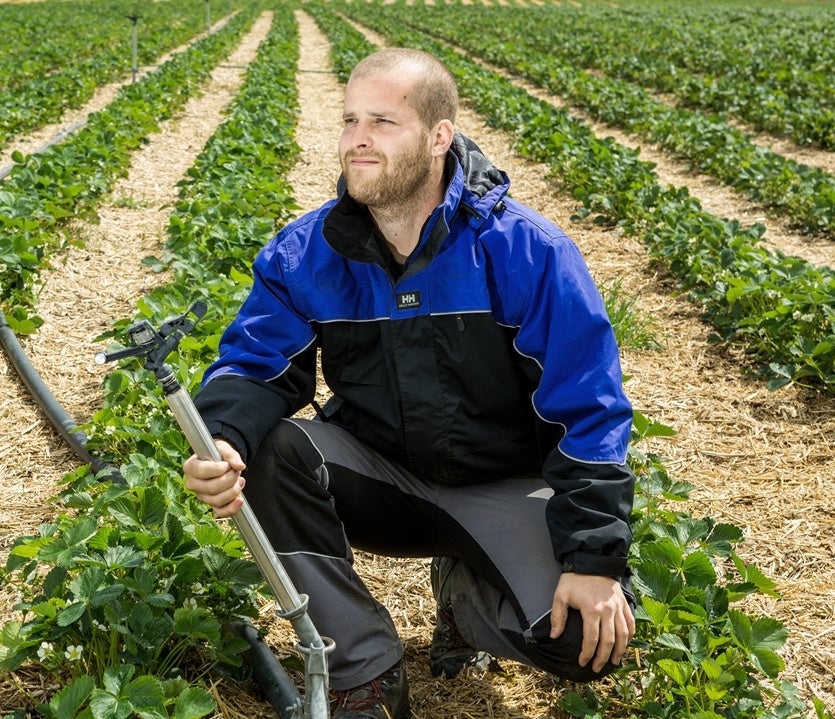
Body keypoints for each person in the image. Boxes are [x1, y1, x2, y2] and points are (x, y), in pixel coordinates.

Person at [183, 48, 636, 719]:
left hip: (505, 487)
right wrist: (220, 437)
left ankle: (467, 604)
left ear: (438, 136)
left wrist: (594, 559)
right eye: (350, 120)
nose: (358, 139)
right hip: (384, 481)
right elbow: (255, 363)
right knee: (274, 449)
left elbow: (588, 413)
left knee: (584, 642)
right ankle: (364, 666)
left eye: (384, 122)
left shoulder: (526, 250)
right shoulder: (306, 253)